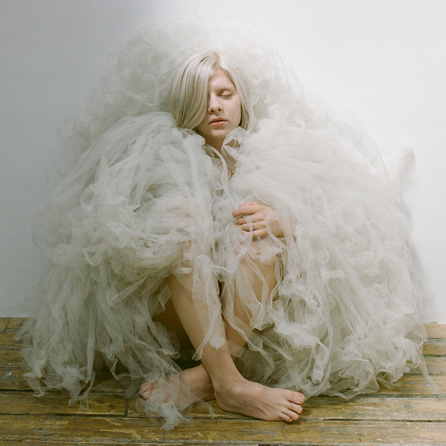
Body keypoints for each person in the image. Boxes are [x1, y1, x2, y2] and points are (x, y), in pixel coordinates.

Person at [18, 23, 428, 430]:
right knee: (182, 219)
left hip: (253, 325)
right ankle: (230, 382)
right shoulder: (162, 152)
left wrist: (283, 221)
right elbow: (127, 243)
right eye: (202, 97)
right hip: (172, 316)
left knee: (260, 238)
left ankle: (212, 376)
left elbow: (339, 226)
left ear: (241, 100)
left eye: (224, 94)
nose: (214, 106)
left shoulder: (276, 151)